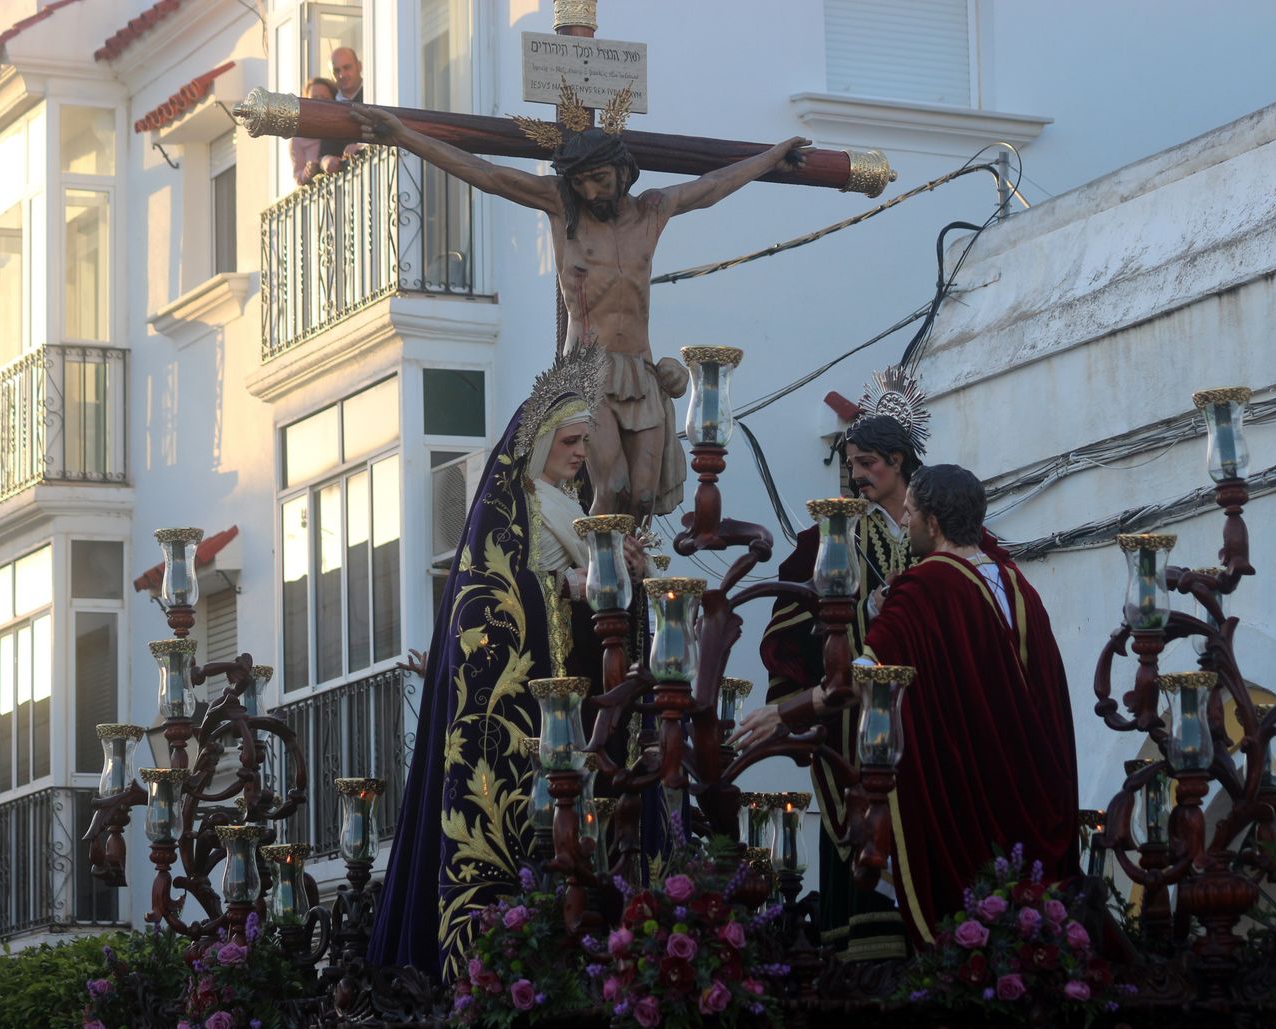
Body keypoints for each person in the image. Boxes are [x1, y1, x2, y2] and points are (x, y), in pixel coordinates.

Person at [347, 89, 809, 519]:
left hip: (641, 370)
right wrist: (405, 136)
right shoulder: (561, 207)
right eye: (582, 182)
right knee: (612, 485)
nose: (591, 193)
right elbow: (487, 175)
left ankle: (634, 587)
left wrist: (772, 157)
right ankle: (597, 585)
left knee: (644, 498)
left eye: (600, 179)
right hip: (587, 370)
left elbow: (713, 185)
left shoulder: (651, 211)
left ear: (623, 171)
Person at [367, 343, 644, 977]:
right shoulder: (512, 508)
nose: (580, 452)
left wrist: (622, 576)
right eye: (570, 439)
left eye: (583, 441)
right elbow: (480, 603)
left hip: (575, 703)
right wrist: (571, 588)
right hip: (531, 711)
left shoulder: (569, 508)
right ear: (541, 436)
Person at [735, 464, 1079, 946]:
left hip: (968, 798)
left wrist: (785, 710)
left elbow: (861, 679)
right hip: (1030, 794)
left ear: (932, 524)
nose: (906, 523)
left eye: (911, 514)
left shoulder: (925, 588)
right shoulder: (1018, 586)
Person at [759, 370, 929, 962]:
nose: (856, 475)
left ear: (900, 461)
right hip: (851, 729)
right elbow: (784, 633)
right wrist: (804, 697)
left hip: (928, 718)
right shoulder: (827, 539)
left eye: (868, 463)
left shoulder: (939, 529)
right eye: (850, 463)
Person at [290, 77, 340, 185]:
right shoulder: (299, 137)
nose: (319, 103)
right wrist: (308, 172)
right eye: (314, 98)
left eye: (324, 99)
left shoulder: (340, 127)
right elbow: (298, 177)